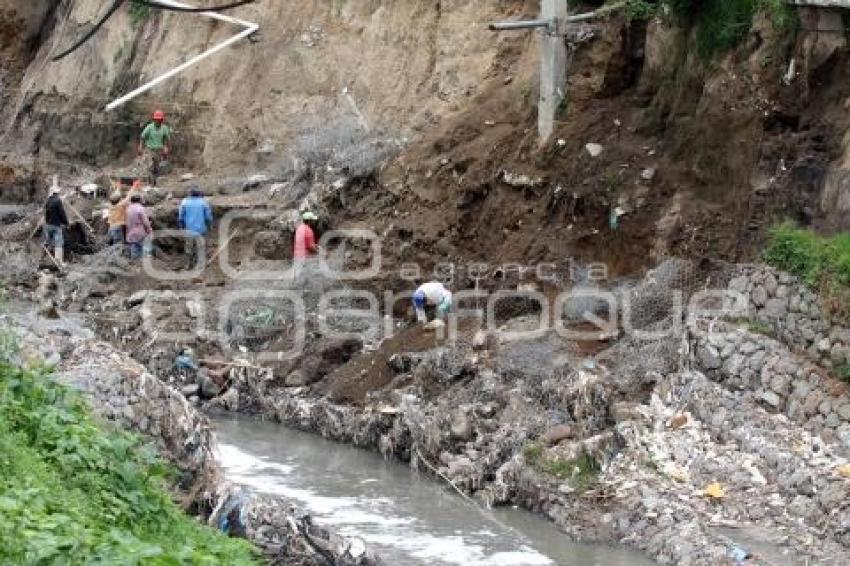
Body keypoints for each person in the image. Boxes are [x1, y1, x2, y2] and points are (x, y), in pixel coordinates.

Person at [178, 186, 213, 266]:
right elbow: (208, 217)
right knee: (200, 246)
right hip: (201, 229)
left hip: (189, 229)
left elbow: (180, 217)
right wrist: (209, 226)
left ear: (190, 194)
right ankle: (200, 264)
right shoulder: (203, 202)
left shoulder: (184, 202)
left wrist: (181, 227)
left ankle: (187, 264)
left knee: (188, 247)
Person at [138, 109, 171, 186]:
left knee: (157, 168)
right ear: (154, 119)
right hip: (150, 149)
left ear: (162, 120)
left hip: (159, 150)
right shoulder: (149, 127)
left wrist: (167, 149)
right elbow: (142, 137)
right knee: (150, 166)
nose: (158, 121)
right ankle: (151, 184)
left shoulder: (164, 128)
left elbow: (167, 139)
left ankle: (155, 182)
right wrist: (140, 147)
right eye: (157, 120)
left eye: (160, 120)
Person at [43, 183, 69, 267]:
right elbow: (62, 213)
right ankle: (59, 262)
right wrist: (66, 222)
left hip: (48, 225)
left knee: (48, 242)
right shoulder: (58, 201)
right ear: (57, 193)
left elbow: (45, 212)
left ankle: (43, 258)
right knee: (59, 243)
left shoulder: (48, 200)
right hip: (56, 225)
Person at [125, 193, 152, 260]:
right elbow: (145, 221)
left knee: (134, 249)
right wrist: (149, 229)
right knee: (145, 247)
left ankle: (134, 263)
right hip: (140, 232)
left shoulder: (128, 208)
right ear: (139, 200)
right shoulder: (140, 208)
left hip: (130, 232)